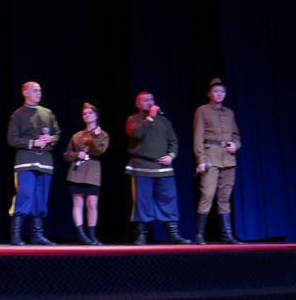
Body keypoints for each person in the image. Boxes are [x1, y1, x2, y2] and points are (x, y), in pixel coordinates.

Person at [125, 91, 189, 244]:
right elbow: (137, 134)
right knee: (142, 202)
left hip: (163, 168)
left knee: (168, 200)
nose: (149, 102)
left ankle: (173, 234)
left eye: (151, 99)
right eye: (145, 100)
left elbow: (173, 141)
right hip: (142, 167)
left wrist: (171, 156)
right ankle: (141, 235)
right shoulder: (133, 120)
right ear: (137, 104)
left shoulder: (164, 121)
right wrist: (150, 118)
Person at [6, 82, 60, 246]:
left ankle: (37, 234)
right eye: (35, 90)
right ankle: (16, 234)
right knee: (24, 196)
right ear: (25, 93)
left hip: (45, 162)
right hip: (26, 162)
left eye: (40, 90)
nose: (39, 93)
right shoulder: (18, 115)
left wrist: (50, 138)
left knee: (41, 198)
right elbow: (12, 139)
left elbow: (57, 134)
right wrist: (32, 143)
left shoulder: (47, 113)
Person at [193, 78, 243, 244]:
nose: (219, 94)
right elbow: (198, 137)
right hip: (210, 157)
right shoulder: (202, 110)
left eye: (222, 91)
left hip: (228, 159)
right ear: (209, 94)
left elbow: (236, 136)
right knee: (207, 194)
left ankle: (226, 234)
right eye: (216, 91)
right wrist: (200, 159)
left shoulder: (229, 113)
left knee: (225, 197)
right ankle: (199, 234)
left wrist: (235, 145)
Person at [63, 103, 110, 245]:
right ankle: (81, 235)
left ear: (96, 115)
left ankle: (92, 236)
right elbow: (66, 155)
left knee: (92, 204)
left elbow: (99, 151)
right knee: (78, 202)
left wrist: (95, 137)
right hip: (77, 172)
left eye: (90, 113)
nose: (87, 115)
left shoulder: (102, 134)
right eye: (84, 113)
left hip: (92, 173)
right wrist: (77, 154)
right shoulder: (76, 136)